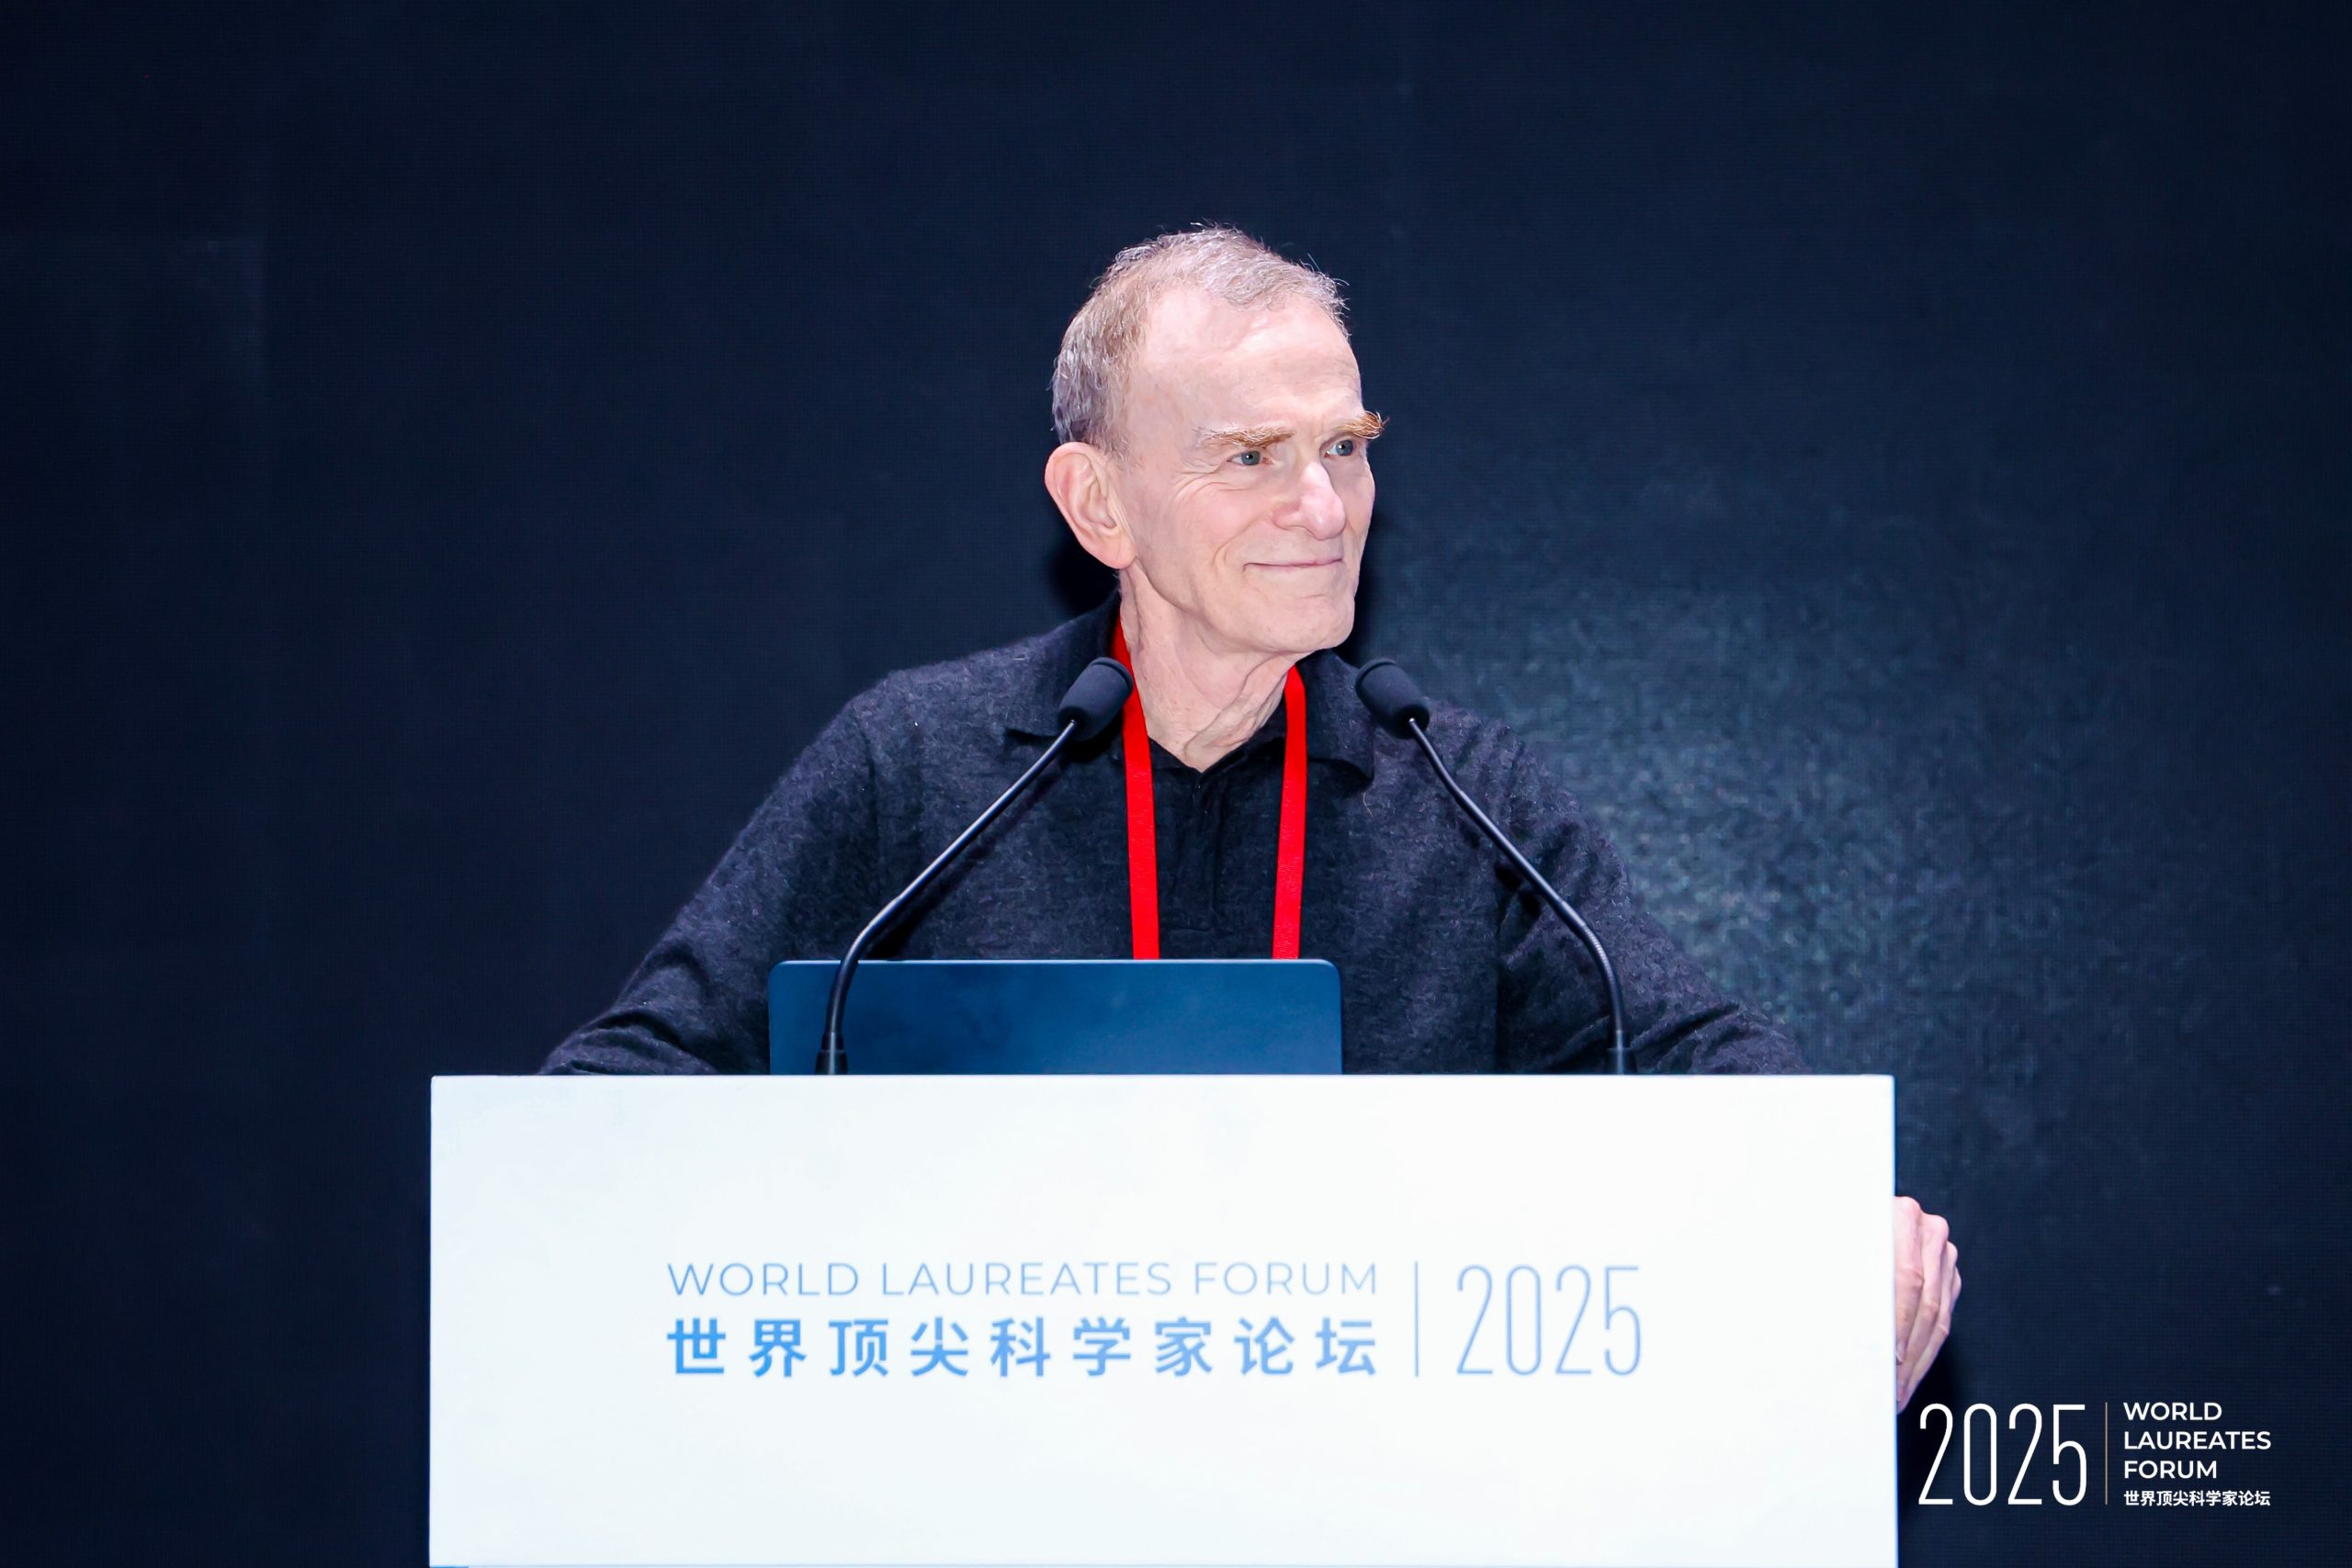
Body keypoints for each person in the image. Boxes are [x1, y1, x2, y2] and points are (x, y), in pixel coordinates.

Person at [541, 225, 1959, 1408]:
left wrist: (1829, 1209)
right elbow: (628, 1078)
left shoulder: (1461, 793)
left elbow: (1699, 1057)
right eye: (1251, 458)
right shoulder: (921, 765)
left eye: (1345, 446)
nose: (1324, 506)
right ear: (1100, 505)